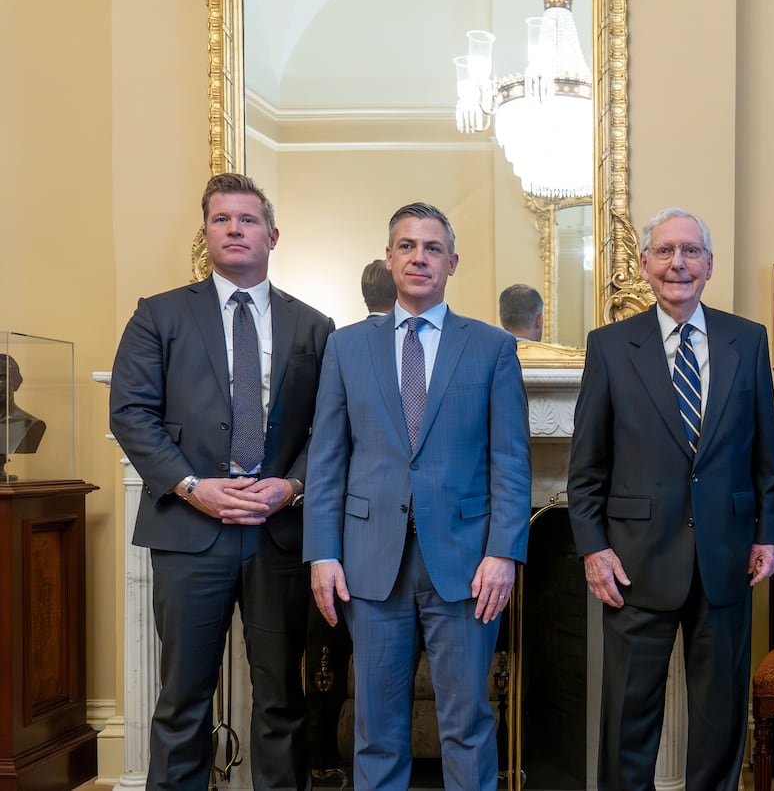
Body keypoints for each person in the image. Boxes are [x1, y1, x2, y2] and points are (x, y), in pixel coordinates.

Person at [109, 172, 334, 791]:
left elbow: (332, 429)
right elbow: (130, 411)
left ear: (273, 234)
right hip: (188, 533)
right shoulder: (159, 315)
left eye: (248, 219)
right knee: (182, 700)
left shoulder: (315, 327)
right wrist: (190, 486)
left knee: (282, 699)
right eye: (221, 219)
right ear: (205, 232)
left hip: (280, 535)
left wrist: (291, 487)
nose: (235, 229)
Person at [305, 202, 531, 791]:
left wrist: (504, 553)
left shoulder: (490, 348)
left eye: (432, 248)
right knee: (376, 729)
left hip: (466, 566)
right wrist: (322, 554)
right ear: (389, 258)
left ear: (452, 262)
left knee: (468, 726)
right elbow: (328, 460)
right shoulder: (346, 347)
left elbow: (510, 461)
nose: (419, 258)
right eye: (407, 246)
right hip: (368, 565)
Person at [568, 207, 774, 789]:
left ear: (709, 265)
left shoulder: (747, 340)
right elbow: (586, 468)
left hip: (727, 558)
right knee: (627, 721)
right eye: (664, 252)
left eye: (690, 251)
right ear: (644, 265)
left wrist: (768, 533)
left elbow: (766, 453)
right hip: (634, 562)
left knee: (719, 722)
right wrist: (594, 549)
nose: (677, 264)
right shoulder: (610, 347)